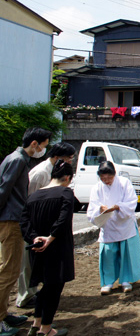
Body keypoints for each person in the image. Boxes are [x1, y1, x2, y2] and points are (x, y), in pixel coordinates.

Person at [0, 127, 52, 336]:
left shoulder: (15, 159)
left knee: (10, 271)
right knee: (8, 271)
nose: (42, 150)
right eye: (43, 146)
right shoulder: (17, 160)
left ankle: (4, 314)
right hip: (10, 221)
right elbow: (3, 190)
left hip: (14, 220)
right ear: (34, 144)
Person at [20, 160, 76, 336]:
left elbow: (24, 221)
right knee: (54, 288)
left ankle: (36, 323)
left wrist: (34, 238)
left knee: (44, 286)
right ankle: (46, 329)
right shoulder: (65, 193)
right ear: (67, 177)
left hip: (37, 248)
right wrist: (50, 237)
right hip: (57, 247)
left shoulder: (34, 196)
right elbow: (64, 218)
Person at [87, 161, 140, 295]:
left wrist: (118, 207)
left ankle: (125, 280)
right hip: (108, 225)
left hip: (124, 223)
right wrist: (100, 208)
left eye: (109, 178)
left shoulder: (124, 183)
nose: (106, 181)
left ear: (114, 175)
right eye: (103, 178)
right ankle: (108, 282)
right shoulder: (97, 188)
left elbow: (131, 201)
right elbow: (93, 206)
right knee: (108, 254)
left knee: (125, 253)